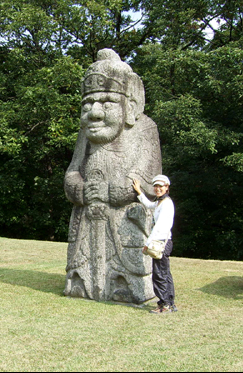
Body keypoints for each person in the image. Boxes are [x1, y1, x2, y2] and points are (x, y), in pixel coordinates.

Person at [63, 48, 163, 304]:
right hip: (88, 214)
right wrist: (79, 189)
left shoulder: (145, 128)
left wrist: (116, 190)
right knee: (81, 261)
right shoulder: (85, 135)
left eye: (106, 102)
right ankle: (82, 282)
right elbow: (72, 171)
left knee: (128, 259)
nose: (94, 112)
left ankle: (125, 285)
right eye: (87, 104)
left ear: (130, 105)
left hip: (125, 217)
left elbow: (149, 173)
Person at [133, 175, 177, 313]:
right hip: (163, 241)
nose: (158, 189)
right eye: (156, 186)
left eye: (161, 186)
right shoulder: (160, 202)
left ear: (167, 187)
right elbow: (149, 205)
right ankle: (169, 302)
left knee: (159, 274)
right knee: (164, 273)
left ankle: (165, 305)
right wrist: (139, 192)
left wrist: (148, 243)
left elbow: (159, 227)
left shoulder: (167, 203)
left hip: (161, 242)